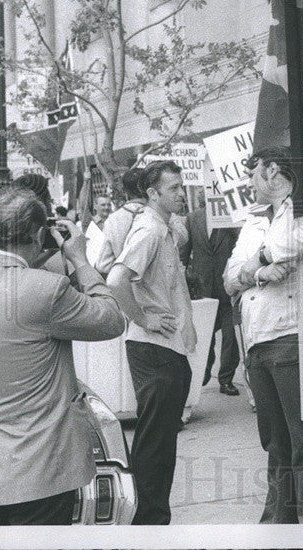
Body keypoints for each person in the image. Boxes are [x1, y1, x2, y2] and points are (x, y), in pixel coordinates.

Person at [0, 186, 126, 525]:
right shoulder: (46, 290)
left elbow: (9, 284)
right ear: (40, 234)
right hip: (38, 468)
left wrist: (39, 253)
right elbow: (111, 320)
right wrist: (80, 260)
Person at [223, 147, 303, 524]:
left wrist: (255, 260)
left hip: (298, 335)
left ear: (272, 170)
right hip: (258, 341)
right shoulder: (254, 220)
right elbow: (228, 278)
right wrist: (257, 272)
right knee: (276, 443)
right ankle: (280, 526)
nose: (248, 183)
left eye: (253, 174)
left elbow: (296, 242)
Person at [107, 161, 197, 525]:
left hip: (167, 348)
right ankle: (148, 521)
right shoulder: (148, 231)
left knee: (160, 443)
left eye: (181, 186)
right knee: (155, 445)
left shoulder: (164, 228)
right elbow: (116, 280)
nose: (180, 193)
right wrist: (143, 318)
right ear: (152, 193)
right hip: (153, 347)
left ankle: (153, 516)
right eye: (172, 188)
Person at [180, 205, 242, 396]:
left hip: (228, 288)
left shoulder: (232, 216)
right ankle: (204, 371)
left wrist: (234, 226)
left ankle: (226, 379)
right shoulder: (193, 218)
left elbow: (242, 244)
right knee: (205, 335)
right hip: (204, 288)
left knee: (231, 337)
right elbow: (184, 253)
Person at [94, 166, 188, 275]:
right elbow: (183, 238)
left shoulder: (113, 219)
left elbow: (103, 265)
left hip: (127, 284)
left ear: (125, 191)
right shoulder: (160, 213)